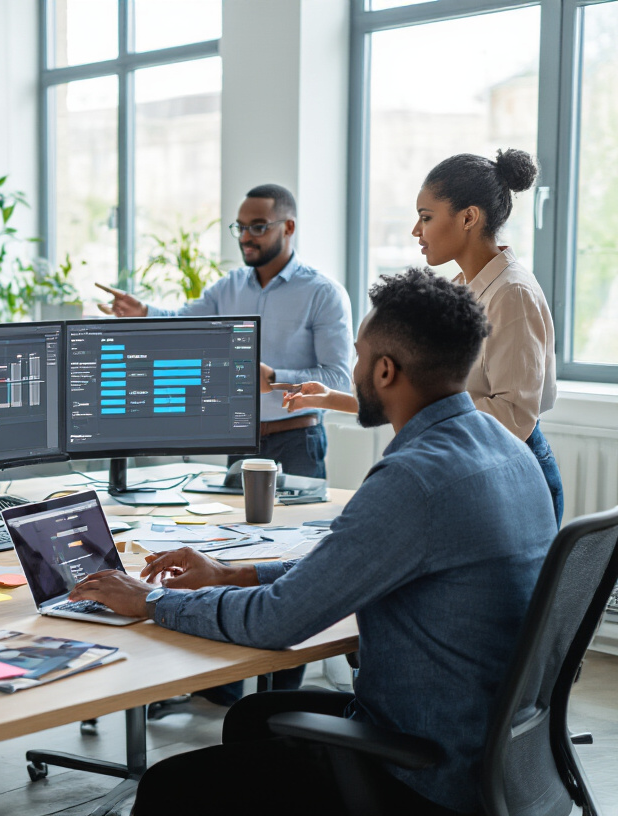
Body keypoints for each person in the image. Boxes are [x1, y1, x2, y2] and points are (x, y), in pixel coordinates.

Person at [70, 268, 557, 815]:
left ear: (386, 370)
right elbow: (348, 562)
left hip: (429, 772)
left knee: (169, 787)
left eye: (357, 357)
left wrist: (151, 600)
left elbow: (277, 623)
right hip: (495, 746)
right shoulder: (503, 445)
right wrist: (234, 573)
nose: (350, 372)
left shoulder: (414, 479)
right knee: (252, 718)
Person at [284, 149, 564, 525]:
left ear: (468, 217)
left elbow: (514, 417)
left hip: (512, 473)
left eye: (426, 218)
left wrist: (428, 421)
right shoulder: (463, 285)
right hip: (476, 461)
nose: (416, 231)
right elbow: (421, 392)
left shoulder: (511, 293)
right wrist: (332, 398)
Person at [96, 183, 353, 481]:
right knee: (234, 528)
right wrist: (142, 312)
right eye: (240, 227)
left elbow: (339, 380)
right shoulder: (228, 287)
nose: (245, 237)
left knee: (301, 528)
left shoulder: (323, 293)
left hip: (296, 441)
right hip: (242, 441)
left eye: (258, 227)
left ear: (288, 227)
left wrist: (275, 379)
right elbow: (183, 322)